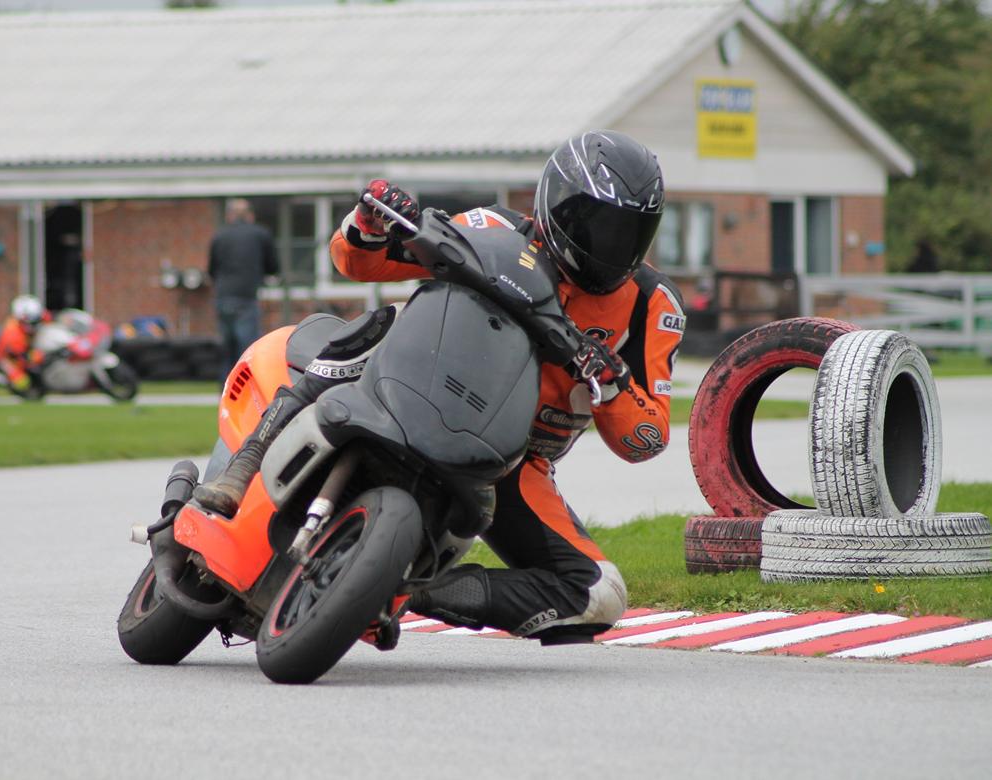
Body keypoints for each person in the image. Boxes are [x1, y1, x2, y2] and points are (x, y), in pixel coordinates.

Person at [194, 131, 685, 643]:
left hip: (513, 460)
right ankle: (247, 460)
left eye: (631, 231)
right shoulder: (493, 229)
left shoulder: (653, 304)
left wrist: (611, 380)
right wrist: (369, 223)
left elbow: (644, 438)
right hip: (410, 376)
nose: (613, 246)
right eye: (600, 225)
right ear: (558, 203)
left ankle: (407, 590)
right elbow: (357, 261)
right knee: (380, 324)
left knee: (602, 593)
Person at [208, 199, 278, 381]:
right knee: (247, 350)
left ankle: (225, 390)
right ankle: (246, 391)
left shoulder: (219, 236)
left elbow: (211, 270)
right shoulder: (260, 234)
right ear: (250, 215)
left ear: (229, 216)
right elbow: (273, 267)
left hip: (223, 297)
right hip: (247, 297)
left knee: (227, 350)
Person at [0, 294, 50, 397]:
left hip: (25, 351)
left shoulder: (40, 318)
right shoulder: (12, 333)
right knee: (21, 382)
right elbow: (20, 355)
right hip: (7, 357)